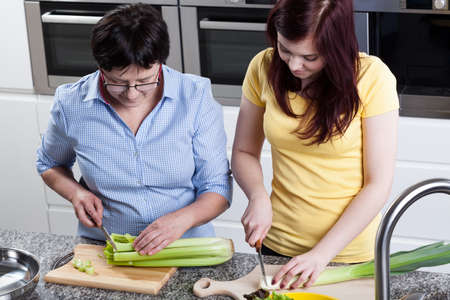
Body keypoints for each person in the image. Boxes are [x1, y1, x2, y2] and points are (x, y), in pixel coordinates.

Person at [36, 4, 232, 256]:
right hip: (105, 249)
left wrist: (182, 219)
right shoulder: (71, 103)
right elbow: (49, 163)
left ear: (159, 62)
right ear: (100, 66)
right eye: (117, 82)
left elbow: (217, 186)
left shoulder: (195, 98)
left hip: (184, 248)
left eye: (144, 81)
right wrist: (76, 193)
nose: (131, 93)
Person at [231, 0, 399, 289]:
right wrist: (257, 197)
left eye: (310, 57)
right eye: (285, 49)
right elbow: (244, 151)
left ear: (336, 46)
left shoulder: (372, 78)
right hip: (278, 245)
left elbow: (377, 184)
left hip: (347, 255)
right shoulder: (263, 67)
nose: (295, 65)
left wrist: (320, 255)